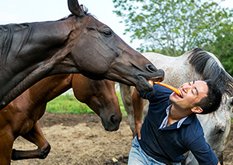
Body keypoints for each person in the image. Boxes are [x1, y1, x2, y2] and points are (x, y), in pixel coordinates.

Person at [128, 80, 222, 165]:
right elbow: (138, 90)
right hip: (139, 151)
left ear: (196, 109)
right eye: (189, 83)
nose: (185, 87)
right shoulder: (160, 93)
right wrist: (138, 121)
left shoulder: (193, 135)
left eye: (193, 91)